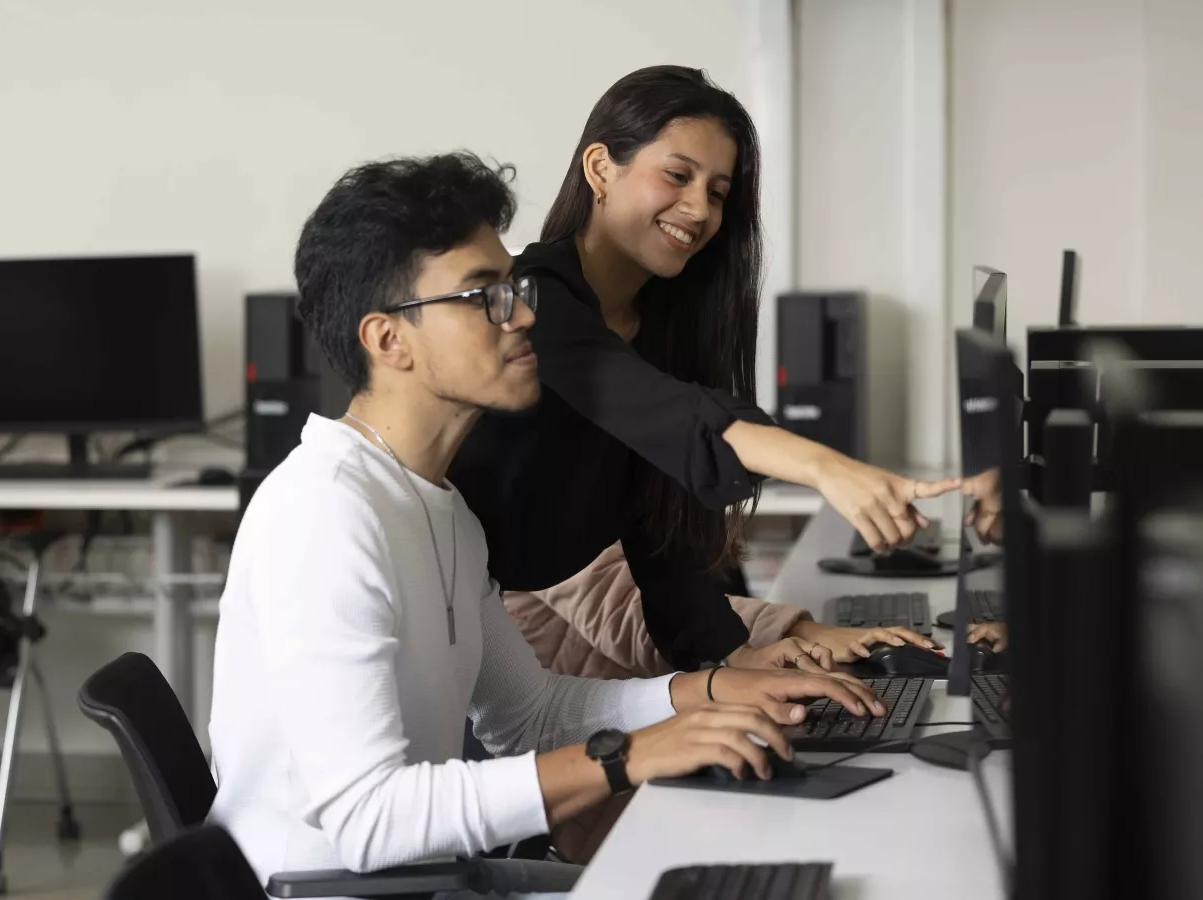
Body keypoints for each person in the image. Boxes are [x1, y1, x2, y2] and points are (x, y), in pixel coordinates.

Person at [206, 153, 886, 893]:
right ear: (388, 339)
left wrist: (713, 691)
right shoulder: (325, 513)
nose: (524, 314)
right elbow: (366, 818)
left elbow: (529, 715)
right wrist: (630, 756)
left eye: (516, 288)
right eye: (485, 296)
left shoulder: (441, 508)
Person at [449, 66, 958, 673]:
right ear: (600, 168)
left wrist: (740, 660)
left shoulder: (663, 325)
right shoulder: (534, 303)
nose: (698, 210)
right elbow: (660, 411)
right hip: (458, 642)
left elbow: (663, 537)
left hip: (505, 655)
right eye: (677, 175)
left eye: (717, 192)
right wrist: (828, 469)